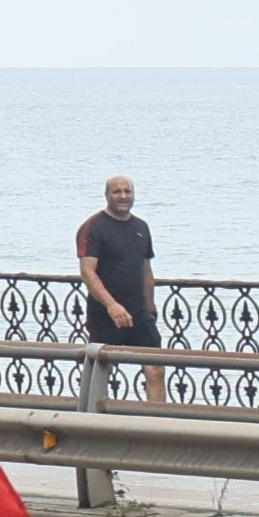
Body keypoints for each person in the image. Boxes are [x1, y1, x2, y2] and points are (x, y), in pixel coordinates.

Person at [76, 173, 157, 404]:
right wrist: (111, 305)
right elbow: (87, 272)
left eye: (127, 191)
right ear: (107, 195)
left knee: (155, 367)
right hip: (105, 313)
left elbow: (146, 270)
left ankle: (158, 423)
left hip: (139, 312)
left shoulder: (141, 227)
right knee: (101, 368)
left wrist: (151, 309)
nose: (123, 196)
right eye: (117, 192)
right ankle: (92, 421)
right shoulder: (93, 227)